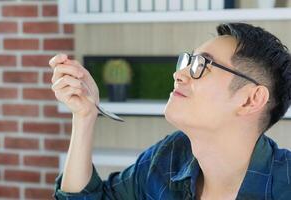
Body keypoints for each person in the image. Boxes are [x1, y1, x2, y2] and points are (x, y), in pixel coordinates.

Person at [50, 23, 291, 200]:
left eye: (202, 65)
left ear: (251, 99)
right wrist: (84, 117)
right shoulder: (170, 156)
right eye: (188, 61)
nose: (178, 74)